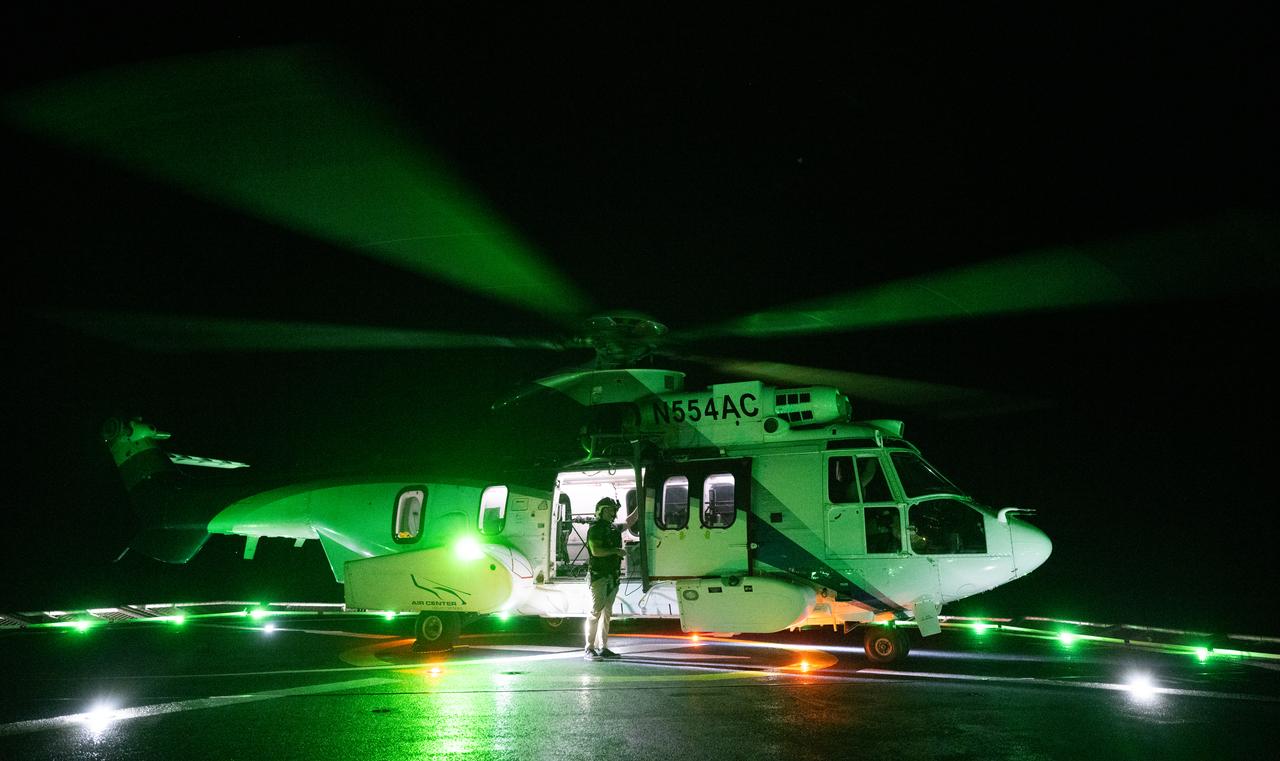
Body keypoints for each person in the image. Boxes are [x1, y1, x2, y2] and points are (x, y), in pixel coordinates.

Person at [584, 497, 624, 660]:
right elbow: (596, 551)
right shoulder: (595, 529)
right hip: (599, 576)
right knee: (595, 612)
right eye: (608, 509)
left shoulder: (612, 528)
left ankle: (603, 647)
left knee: (607, 613)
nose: (612, 512)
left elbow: (629, 521)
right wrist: (616, 551)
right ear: (600, 511)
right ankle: (589, 648)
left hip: (612, 576)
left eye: (613, 510)